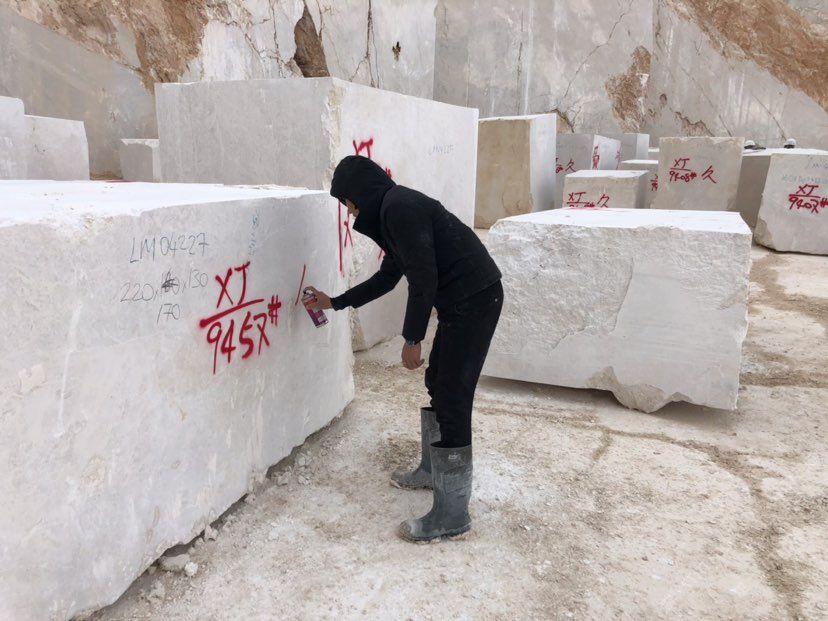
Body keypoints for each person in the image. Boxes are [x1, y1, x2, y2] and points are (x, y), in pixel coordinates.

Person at [304, 155, 503, 542]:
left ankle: (453, 514)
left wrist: (412, 338)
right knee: (438, 381)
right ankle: (432, 471)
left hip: (476, 299)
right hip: (462, 302)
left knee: (453, 396)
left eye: (347, 201)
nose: (349, 211)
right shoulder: (393, 212)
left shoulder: (399, 208)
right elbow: (388, 277)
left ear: (360, 192)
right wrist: (336, 302)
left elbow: (424, 277)